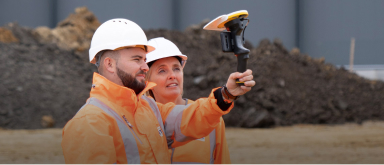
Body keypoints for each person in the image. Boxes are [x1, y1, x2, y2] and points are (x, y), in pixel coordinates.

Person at [61, 18, 255, 164]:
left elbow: (188, 119)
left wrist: (226, 94)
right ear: (110, 64)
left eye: (144, 60)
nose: (144, 67)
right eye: (137, 59)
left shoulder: (147, 107)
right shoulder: (90, 123)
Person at [145, 37, 232, 164]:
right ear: (146, 79)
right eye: (162, 70)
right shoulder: (140, 118)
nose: (172, 75)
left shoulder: (210, 117)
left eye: (176, 68)